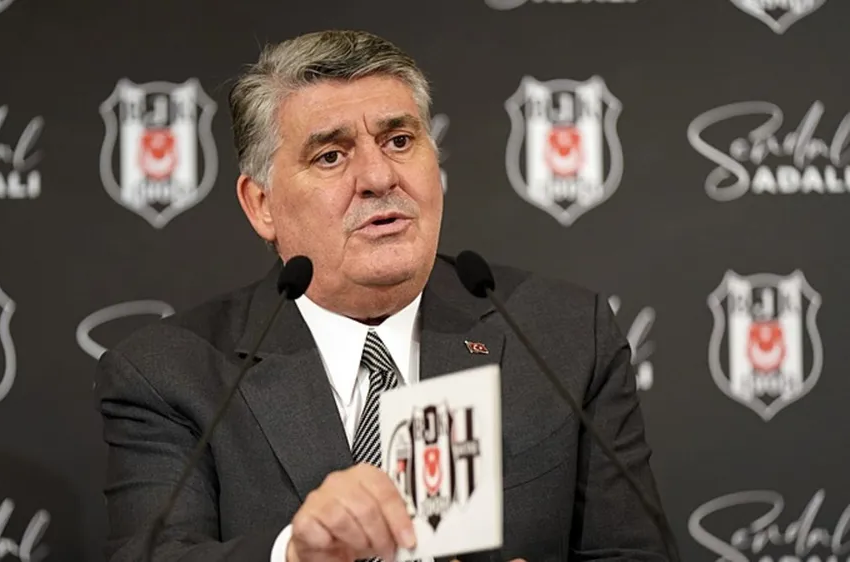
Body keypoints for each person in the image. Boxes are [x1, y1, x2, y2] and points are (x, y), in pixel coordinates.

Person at [94, 29, 671, 562]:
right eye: (331, 155)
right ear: (261, 204)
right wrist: (294, 556)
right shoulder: (171, 374)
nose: (378, 177)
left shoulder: (565, 335)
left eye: (399, 140)